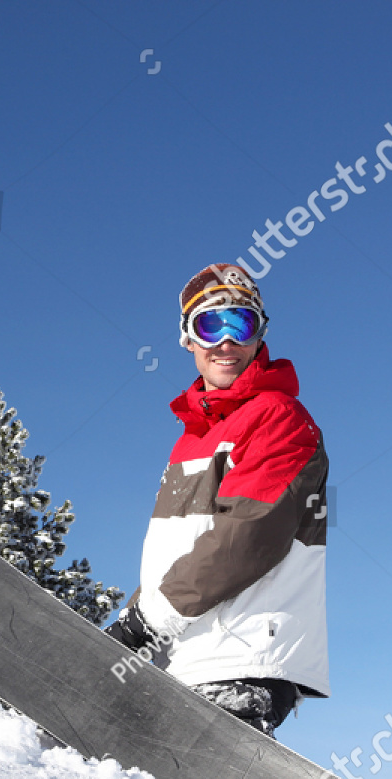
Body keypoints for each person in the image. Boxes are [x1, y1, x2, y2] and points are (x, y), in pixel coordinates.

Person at [106, 263, 329, 738]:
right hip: (187, 655)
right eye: (211, 325)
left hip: (243, 653)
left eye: (240, 324)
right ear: (188, 338)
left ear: (259, 334)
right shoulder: (190, 441)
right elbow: (178, 557)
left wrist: (146, 620)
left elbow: (247, 538)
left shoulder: (278, 416)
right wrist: (136, 617)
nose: (226, 342)